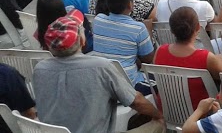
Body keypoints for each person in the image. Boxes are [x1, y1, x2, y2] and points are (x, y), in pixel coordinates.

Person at [32, 9, 165, 133]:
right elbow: (136, 101)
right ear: (82, 40)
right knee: (159, 124)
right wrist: (159, 115)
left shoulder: (39, 69)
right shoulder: (101, 66)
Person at [153, 6, 222, 110]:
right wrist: (220, 59)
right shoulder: (206, 58)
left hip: (167, 113)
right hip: (199, 116)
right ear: (197, 28)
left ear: (172, 30)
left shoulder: (160, 51)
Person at [92, 0, 155, 91]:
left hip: (102, 80)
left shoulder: (98, 20)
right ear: (130, 5)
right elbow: (148, 59)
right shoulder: (138, 28)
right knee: (163, 83)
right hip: (129, 84)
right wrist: (148, 30)